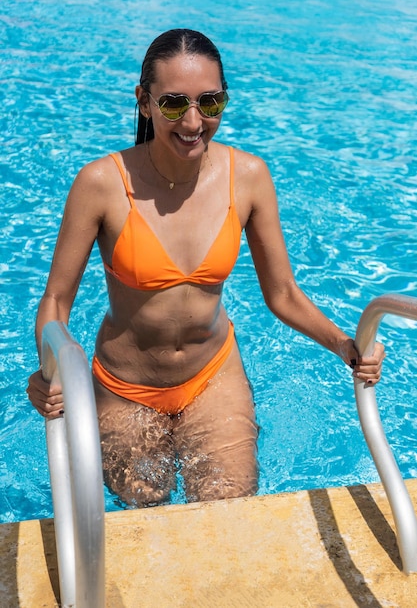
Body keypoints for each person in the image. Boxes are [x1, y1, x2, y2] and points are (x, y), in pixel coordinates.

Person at [26, 28, 385, 508]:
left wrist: (346, 347)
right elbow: (56, 300)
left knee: (230, 508)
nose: (194, 121)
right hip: (124, 386)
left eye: (210, 102)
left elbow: (282, 293)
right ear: (144, 102)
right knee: (142, 507)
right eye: (174, 103)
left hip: (212, 376)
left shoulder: (249, 177)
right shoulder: (101, 184)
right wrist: (51, 370)